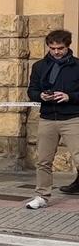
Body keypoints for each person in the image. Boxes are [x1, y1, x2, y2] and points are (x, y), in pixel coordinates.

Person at [25, 29, 79, 209]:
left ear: (68, 46)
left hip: (72, 118)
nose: (56, 52)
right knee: (43, 160)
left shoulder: (77, 66)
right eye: (52, 48)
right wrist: (40, 95)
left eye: (60, 48)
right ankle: (41, 196)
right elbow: (31, 91)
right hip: (47, 118)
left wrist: (69, 96)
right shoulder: (39, 66)